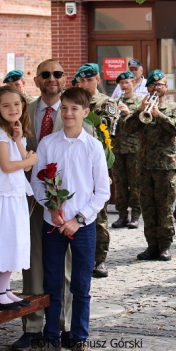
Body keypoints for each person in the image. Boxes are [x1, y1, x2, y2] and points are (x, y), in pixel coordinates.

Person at [24, 87, 111, 351]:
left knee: (81, 286)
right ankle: (50, 339)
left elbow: (102, 192)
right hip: (52, 224)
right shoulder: (49, 144)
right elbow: (38, 181)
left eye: (75, 109)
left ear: (86, 112)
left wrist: (78, 219)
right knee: (52, 284)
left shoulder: (93, 146)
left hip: (82, 227)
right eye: (65, 108)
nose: (69, 113)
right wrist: (50, 205)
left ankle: (79, 340)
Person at [13, 60, 73, 351]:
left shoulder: (75, 111)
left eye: (57, 74)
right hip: (29, 198)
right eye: (46, 75)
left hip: (65, 200)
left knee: (65, 265)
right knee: (32, 263)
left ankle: (62, 326)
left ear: (65, 79)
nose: (52, 79)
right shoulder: (24, 111)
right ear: (36, 81)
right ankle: (33, 326)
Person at [123, 70, 176, 260]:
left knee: (165, 207)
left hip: (165, 166)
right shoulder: (140, 106)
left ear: (166, 88)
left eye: (160, 85)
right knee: (147, 207)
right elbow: (126, 127)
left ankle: (165, 245)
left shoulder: (174, 107)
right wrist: (139, 111)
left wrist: (159, 115)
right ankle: (151, 245)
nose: (156, 88)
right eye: (152, 85)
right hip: (143, 166)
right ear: (147, 87)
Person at [74, 63, 117, 279]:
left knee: (98, 214)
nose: (84, 84)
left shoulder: (106, 103)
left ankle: (100, 259)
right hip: (76, 165)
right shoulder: (74, 102)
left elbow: (105, 130)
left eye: (88, 80)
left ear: (97, 80)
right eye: (81, 80)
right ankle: (81, 258)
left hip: (97, 163)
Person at [0, 86, 37, 311]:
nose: (12, 109)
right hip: (4, 197)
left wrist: (19, 139)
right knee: (4, 242)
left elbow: (21, 156)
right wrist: (29, 162)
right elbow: (7, 165)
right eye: (5, 105)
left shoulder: (9, 132)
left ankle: (4, 288)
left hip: (15, 195)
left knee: (14, 242)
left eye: (16, 104)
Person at [110, 71, 143, 229]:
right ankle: (122, 215)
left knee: (135, 183)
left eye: (127, 82)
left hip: (134, 148)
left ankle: (136, 215)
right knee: (120, 183)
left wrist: (129, 114)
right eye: (122, 83)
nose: (124, 86)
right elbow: (108, 123)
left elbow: (143, 124)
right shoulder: (114, 102)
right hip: (117, 148)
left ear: (133, 83)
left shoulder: (139, 102)